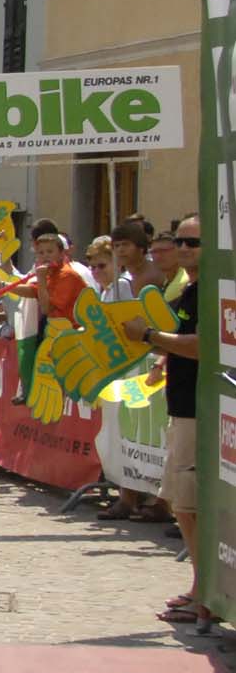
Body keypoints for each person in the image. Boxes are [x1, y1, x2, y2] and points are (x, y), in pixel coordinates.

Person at [123, 214, 204, 622]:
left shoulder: (212, 290)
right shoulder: (190, 289)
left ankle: (205, 591)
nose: (186, 249)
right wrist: (158, 351)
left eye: (194, 243)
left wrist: (152, 338)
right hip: (184, 406)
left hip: (200, 410)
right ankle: (201, 586)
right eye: (182, 242)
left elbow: (203, 345)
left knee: (189, 503)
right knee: (183, 503)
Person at [0, 218, 96, 408]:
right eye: (41, 253)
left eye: (50, 252)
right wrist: (4, 286)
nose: (45, 256)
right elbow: (31, 291)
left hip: (73, 334)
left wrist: (39, 279)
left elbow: (47, 307)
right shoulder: (48, 272)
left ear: (61, 253)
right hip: (57, 331)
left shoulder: (68, 274)